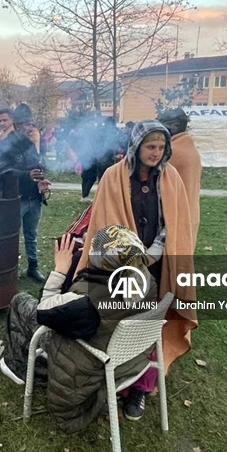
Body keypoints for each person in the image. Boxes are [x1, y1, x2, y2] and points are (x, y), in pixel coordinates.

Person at [77, 119, 199, 420]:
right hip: (121, 266)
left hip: (158, 266)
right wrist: (132, 255)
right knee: (119, 323)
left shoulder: (171, 178)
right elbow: (105, 223)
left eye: (161, 147)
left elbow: (176, 222)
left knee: (150, 324)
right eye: (150, 146)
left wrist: (155, 252)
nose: (155, 153)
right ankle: (116, 384)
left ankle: (141, 390)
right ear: (136, 146)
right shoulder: (112, 177)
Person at [0, 225, 159, 433]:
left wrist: (60, 270)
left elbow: (45, 312)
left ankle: (17, 367)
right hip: (129, 359)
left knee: (21, 301)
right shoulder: (145, 280)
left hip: (89, 361)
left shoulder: (84, 303)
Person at [0, 103, 51, 282]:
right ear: (18, 125)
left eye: (31, 124)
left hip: (34, 197)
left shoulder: (30, 143)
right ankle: (8, 269)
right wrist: (27, 175)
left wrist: (42, 180)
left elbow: (37, 166)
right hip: (15, 198)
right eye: (27, 124)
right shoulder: (4, 146)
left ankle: (32, 267)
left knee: (31, 234)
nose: (30, 128)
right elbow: (3, 172)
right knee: (11, 236)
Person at [159, 109, 202, 240]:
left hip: (174, 217)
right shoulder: (189, 147)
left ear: (174, 125)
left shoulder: (172, 151)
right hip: (190, 214)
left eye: (162, 125)